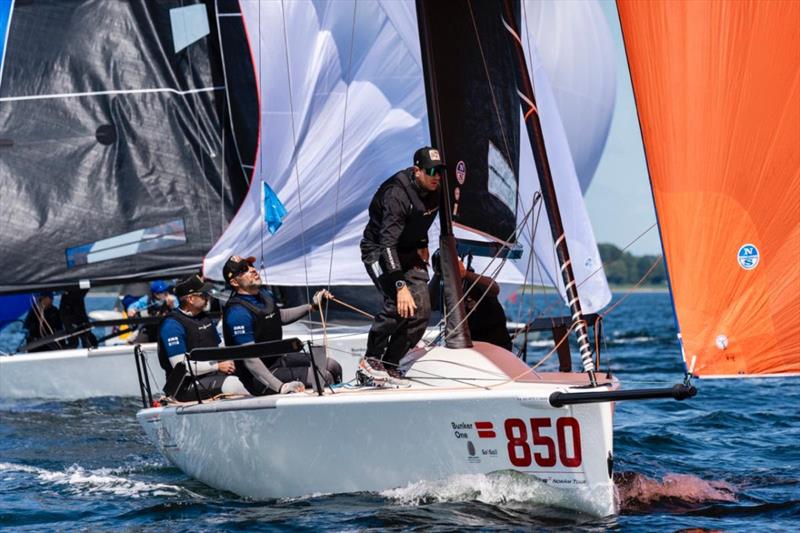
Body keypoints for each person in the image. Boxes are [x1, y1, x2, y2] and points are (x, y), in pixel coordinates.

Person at [359, 146, 442, 383]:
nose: (437, 176)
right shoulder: (397, 194)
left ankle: (390, 364)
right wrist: (399, 286)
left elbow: (421, 220)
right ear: (417, 171)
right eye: (431, 171)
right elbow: (387, 244)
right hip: (378, 251)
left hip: (408, 251)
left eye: (440, 171)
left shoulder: (436, 187)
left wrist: (424, 242)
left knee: (422, 310)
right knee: (399, 304)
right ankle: (370, 360)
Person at [221, 255, 342, 395]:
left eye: (251, 266)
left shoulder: (264, 294)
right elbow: (250, 360)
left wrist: (313, 306)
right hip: (259, 377)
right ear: (234, 282)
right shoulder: (237, 313)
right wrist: (280, 387)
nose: (252, 270)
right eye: (244, 269)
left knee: (333, 366)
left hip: (278, 359)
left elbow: (279, 316)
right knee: (324, 376)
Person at [157, 274, 255, 401]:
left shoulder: (204, 318)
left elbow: (220, 348)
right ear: (191, 299)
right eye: (203, 295)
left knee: (252, 377)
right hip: (184, 386)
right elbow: (180, 367)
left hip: (212, 376)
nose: (208, 297)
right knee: (234, 385)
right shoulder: (172, 325)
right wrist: (217, 366)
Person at [430, 252, 512, 351]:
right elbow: (430, 303)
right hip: (469, 345)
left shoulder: (475, 281)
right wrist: (437, 274)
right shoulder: (444, 288)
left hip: (495, 342)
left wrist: (465, 274)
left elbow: (494, 289)